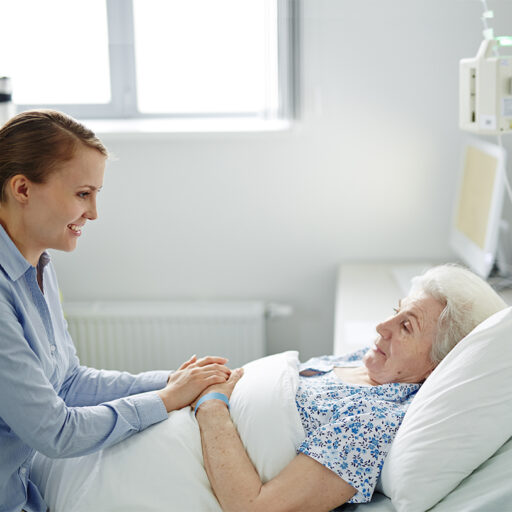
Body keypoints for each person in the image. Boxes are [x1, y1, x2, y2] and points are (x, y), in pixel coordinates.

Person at [0, 110, 232, 512]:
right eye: (82, 194)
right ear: (22, 188)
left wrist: (174, 381)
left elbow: (68, 383)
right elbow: (55, 431)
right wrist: (165, 399)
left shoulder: (36, 266)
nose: (93, 213)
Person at [192, 264, 507, 512]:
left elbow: (256, 507)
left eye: (406, 326)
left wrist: (211, 407)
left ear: (437, 365)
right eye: (396, 310)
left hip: (189, 454)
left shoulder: (371, 424)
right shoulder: (370, 363)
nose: (382, 326)